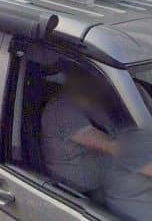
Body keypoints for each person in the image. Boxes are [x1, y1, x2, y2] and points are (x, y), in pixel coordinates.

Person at [41, 66, 119, 198]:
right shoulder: (61, 110)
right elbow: (111, 146)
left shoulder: (93, 103)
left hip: (110, 182)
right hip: (80, 196)